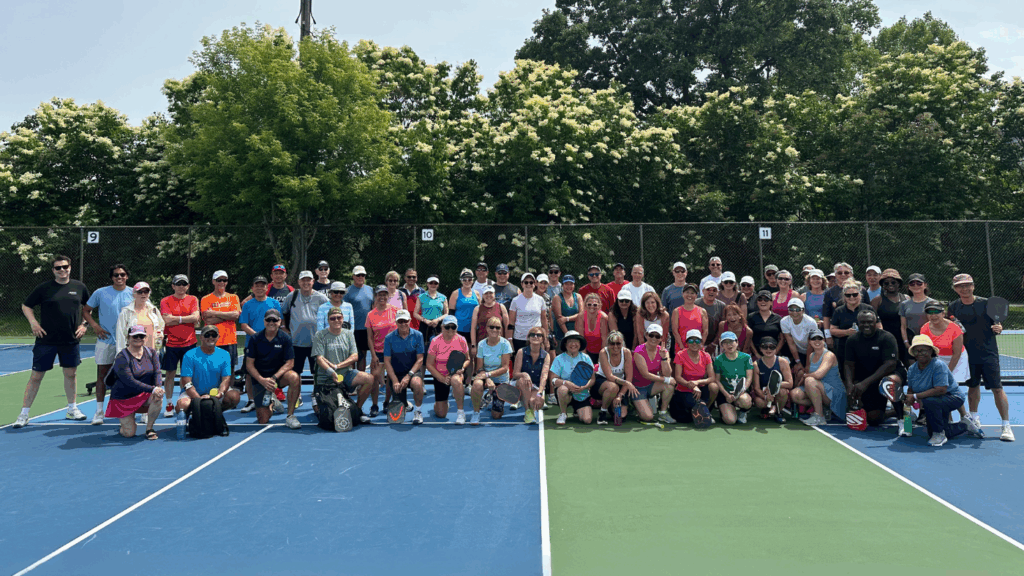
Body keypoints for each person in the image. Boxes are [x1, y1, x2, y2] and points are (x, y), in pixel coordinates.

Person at [13, 255, 91, 428]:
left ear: (70, 267)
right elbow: (26, 306)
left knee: (71, 374)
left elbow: (88, 308)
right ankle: (24, 414)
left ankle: (72, 409)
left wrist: (84, 325)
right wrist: (34, 323)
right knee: (36, 376)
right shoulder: (44, 288)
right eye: (58, 268)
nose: (62, 270)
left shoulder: (79, 287)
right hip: (45, 340)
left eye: (65, 267)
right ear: (53, 270)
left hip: (70, 340)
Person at [948, 273, 1014, 441]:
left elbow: (997, 324)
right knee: (973, 387)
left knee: (997, 388)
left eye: (967, 285)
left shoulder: (986, 303)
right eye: (960, 286)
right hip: (967, 354)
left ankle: (1006, 425)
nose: (964, 288)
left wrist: (999, 327)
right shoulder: (953, 307)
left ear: (973, 286)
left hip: (988, 353)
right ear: (955, 289)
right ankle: (975, 419)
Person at [905, 335, 984, 446]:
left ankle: (939, 435)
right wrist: (909, 401)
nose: (920, 353)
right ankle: (965, 425)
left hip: (953, 398)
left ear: (931, 351)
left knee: (930, 402)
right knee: (931, 430)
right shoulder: (912, 370)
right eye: (917, 351)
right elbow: (911, 390)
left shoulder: (938, 365)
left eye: (923, 350)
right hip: (933, 401)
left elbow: (941, 390)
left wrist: (914, 397)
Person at [83, 263, 134, 425]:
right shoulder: (101, 292)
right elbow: (86, 310)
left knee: (131, 376)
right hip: (106, 340)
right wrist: (95, 326)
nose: (119, 277)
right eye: (116, 275)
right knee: (102, 376)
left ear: (127, 276)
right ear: (112, 277)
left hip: (129, 342)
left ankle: (133, 410)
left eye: (122, 275)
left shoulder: (134, 292)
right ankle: (99, 411)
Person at [312, 306, 374, 427]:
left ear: (343, 319)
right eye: (332, 318)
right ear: (328, 320)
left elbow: (355, 356)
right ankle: (317, 401)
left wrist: (337, 366)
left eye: (339, 317)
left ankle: (357, 410)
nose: (336, 320)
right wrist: (332, 372)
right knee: (326, 414)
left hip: (345, 374)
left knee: (369, 379)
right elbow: (319, 359)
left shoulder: (348, 334)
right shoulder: (320, 335)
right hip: (326, 378)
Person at [845, 309, 906, 430]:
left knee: (889, 383)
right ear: (857, 323)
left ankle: (903, 420)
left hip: (891, 373)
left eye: (869, 322)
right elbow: (848, 364)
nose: (866, 325)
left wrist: (865, 383)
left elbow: (890, 364)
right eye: (862, 322)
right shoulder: (852, 340)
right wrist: (849, 385)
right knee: (874, 419)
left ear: (876, 322)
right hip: (869, 379)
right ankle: (898, 411)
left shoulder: (887, 337)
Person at [104, 325, 165, 439]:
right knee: (129, 433)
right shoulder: (121, 357)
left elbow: (157, 372)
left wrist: (158, 387)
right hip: (123, 398)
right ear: (128, 338)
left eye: (141, 336)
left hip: (143, 395)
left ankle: (149, 428)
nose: (138, 338)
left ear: (145, 338)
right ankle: (125, 423)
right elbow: (130, 382)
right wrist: (153, 389)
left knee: (158, 397)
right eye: (135, 336)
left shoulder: (151, 352)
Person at [245, 309, 302, 429]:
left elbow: (290, 363)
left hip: (278, 377)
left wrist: (274, 378)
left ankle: (290, 416)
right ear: (264, 321)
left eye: (275, 320)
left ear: (279, 321)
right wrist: (262, 380)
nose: (271, 322)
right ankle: (272, 402)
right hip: (261, 379)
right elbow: (249, 365)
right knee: (263, 420)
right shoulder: (255, 339)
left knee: (294, 377)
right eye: (268, 320)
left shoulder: (285, 338)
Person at [238, 276, 283, 413]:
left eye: (262, 285)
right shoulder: (247, 305)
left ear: (266, 288)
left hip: (271, 344)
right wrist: (258, 337)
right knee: (250, 373)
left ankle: (271, 397)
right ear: (252, 288)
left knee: (272, 372)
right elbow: (244, 325)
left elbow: (278, 323)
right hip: (252, 344)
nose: (259, 288)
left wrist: (269, 337)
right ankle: (251, 400)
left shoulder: (274, 303)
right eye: (256, 285)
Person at [176, 324, 238, 420]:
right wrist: (198, 398)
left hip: (214, 394)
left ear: (218, 337)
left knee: (234, 396)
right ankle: (186, 420)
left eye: (213, 335)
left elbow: (226, 379)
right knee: (182, 406)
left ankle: (213, 413)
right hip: (193, 393)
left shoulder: (225, 355)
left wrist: (220, 393)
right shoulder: (189, 355)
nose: (210, 337)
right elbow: (186, 382)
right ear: (201, 337)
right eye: (207, 335)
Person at [160, 274, 200, 417]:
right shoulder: (166, 301)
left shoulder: (193, 299)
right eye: (178, 284)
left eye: (184, 284)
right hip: (171, 343)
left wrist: (176, 319)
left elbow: (196, 318)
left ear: (188, 286)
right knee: (170, 374)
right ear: (173, 286)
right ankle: (169, 403)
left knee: (188, 375)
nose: (181, 287)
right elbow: (167, 321)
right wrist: (186, 319)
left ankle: (184, 401)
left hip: (190, 342)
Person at [282, 270, 329, 381]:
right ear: (299, 282)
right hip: (296, 342)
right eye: (303, 280)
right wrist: (284, 328)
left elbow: (330, 312)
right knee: (295, 372)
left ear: (313, 281)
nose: (306, 283)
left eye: (308, 280)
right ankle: (297, 395)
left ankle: (317, 393)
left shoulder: (321, 298)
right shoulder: (292, 296)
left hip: (316, 342)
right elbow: (283, 312)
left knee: (317, 371)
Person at [383, 309, 426, 424]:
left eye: (405, 321)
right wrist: (395, 380)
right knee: (397, 418)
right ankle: (405, 403)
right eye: (400, 321)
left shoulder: (418, 335)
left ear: (410, 321)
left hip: (413, 372)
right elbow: (387, 361)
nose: (403, 324)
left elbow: (420, 359)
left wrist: (409, 375)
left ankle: (418, 412)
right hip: (396, 373)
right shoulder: (389, 338)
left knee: (417, 383)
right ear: (396, 323)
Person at [425, 315, 471, 423]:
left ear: (456, 328)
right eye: (447, 327)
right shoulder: (435, 341)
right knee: (441, 414)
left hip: (456, 373)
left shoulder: (461, 340)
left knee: (456, 380)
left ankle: (460, 413)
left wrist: (463, 368)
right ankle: (440, 404)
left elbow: (467, 359)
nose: (450, 329)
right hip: (440, 375)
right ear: (442, 327)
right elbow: (429, 364)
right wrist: (441, 378)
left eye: (453, 327)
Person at [791, 328, 841, 426]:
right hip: (821, 389)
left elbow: (818, 375)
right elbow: (811, 374)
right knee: (795, 394)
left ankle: (819, 416)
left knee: (810, 380)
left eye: (820, 338)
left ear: (824, 340)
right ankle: (824, 409)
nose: (817, 341)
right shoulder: (811, 356)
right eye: (814, 339)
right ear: (810, 341)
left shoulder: (829, 355)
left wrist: (805, 376)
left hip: (834, 392)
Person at [629, 324, 676, 424]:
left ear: (661, 338)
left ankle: (663, 413)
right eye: (651, 335)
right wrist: (666, 379)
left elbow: (667, 374)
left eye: (657, 336)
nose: (654, 338)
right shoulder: (639, 351)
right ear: (646, 335)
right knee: (648, 417)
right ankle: (632, 403)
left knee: (669, 385)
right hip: (637, 388)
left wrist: (664, 358)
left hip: (651, 385)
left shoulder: (663, 351)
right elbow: (645, 374)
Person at [471, 316, 514, 424]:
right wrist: (487, 379)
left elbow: (505, 368)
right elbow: (479, 368)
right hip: (487, 377)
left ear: (500, 329)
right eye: (492, 327)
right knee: (476, 384)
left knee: (496, 415)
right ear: (486, 328)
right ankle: (476, 412)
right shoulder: (481, 344)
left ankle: (493, 395)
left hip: (501, 379)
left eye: (497, 327)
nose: (494, 330)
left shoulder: (505, 344)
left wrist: (487, 375)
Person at [552, 330, 600, 425]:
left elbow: (592, 379)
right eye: (570, 341)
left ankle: (576, 410)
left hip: (581, 393)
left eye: (576, 341)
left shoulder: (586, 358)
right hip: (566, 392)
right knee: (562, 389)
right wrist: (566, 383)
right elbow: (553, 380)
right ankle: (563, 414)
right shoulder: (558, 359)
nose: (573, 344)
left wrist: (584, 387)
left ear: (580, 344)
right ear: (565, 344)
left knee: (587, 420)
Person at [669, 329, 716, 424]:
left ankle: (705, 411)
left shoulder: (706, 355)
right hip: (684, 389)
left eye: (697, 340)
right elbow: (678, 377)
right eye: (691, 340)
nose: (694, 343)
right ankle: (702, 412)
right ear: (686, 343)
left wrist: (697, 383)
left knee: (714, 387)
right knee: (689, 411)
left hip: (701, 388)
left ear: (701, 343)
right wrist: (692, 386)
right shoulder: (680, 355)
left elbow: (712, 378)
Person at [200, 270, 241, 379]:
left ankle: (228, 393)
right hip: (211, 339)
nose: (222, 282)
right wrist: (227, 316)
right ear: (213, 281)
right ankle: (210, 394)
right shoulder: (206, 299)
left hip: (230, 339)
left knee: (230, 370)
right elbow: (208, 321)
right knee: (210, 369)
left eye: (224, 280)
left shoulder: (233, 297)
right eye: (219, 280)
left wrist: (214, 313)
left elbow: (235, 316)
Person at [366, 284, 399, 417]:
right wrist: (373, 355)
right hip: (378, 352)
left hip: (392, 352)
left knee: (391, 379)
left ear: (388, 296)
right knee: (374, 378)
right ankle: (374, 405)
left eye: (384, 294)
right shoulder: (370, 314)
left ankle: (387, 402)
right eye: (379, 294)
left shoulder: (396, 311)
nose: (382, 297)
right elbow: (370, 338)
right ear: (375, 296)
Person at [712, 331, 754, 425]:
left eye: (731, 341)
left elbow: (749, 378)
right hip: (726, 394)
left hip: (741, 392)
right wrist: (727, 395)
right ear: (722, 345)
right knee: (730, 421)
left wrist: (740, 392)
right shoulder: (718, 359)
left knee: (745, 401)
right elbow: (717, 380)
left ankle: (743, 412)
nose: (729, 345)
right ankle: (725, 410)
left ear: (737, 342)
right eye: (725, 342)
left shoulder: (746, 357)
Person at [830, 281, 874, 369]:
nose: (851, 297)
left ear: (860, 295)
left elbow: (879, 327)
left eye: (855, 294)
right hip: (845, 348)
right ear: (844, 297)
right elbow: (832, 330)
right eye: (848, 295)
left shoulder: (868, 308)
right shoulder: (839, 311)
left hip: (866, 346)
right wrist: (847, 332)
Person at [512, 326, 551, 425]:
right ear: (529, 338)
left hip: (536, 386)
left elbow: (544, 376)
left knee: (537, 402)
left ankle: (524, 401)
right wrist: (524, 374)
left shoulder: (546, 356)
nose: (535, 337)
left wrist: (540, 393)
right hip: (521, 384)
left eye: (539, 335)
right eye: (532, 335)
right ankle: (528, 412)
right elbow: (515, 374)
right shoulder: (521, 352)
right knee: (523, 381)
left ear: (543, 338)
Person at [750, 336, 793, 423]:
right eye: (765, 347)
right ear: (760, 349)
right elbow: (756, 388)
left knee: (783, 391)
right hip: (764, 393)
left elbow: (790, 383)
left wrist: (772, 386)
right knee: (759, 402)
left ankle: (778, 412)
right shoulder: (756, 364)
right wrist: (766, 396)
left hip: (777, 393)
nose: (768, 349)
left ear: (776, 348)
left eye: (772, 347)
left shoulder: (782, 361)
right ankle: (766, 408)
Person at [593, 331, 633, 425]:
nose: (615, 346)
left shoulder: (626, 352)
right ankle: (602, 412)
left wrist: (620, 396)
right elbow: (609, 376)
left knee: (621, 416)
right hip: (603, 382)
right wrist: (626, 383)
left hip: (621, 383)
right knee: (613, 387)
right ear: (608, 344)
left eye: (618, 343)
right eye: (612, 344)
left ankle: (613, 406)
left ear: (622, 343)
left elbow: (629, 376)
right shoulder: (603, 352)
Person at [871, 269, 909, 364]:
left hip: (905, 339)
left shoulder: (906, 298)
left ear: (899, 283)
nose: (890, 285)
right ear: (883, 285)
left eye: (893, 282)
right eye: (886, 283)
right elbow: (872, 321)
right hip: (886, 340)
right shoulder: (877, 300)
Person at [821, 262, 868, 334]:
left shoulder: (862, 290)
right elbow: (826, 316)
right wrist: (828, 336)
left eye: (846, 272)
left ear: (851, 274)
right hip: (839, 332)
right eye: (839, 273)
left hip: (862, 331)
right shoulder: (829, 292)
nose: (843, 275)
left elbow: (868, 309)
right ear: (835, 275)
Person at [343, 265, 374, 372]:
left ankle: (362, 382)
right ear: (353, 276)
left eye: (362, 275)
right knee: (352, 357)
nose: (360, 277)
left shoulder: (370, 289)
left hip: (366, 329)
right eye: (358, 275)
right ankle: (352, 383)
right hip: (352, 329)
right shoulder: (347, 291)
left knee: (362, 356)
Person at [508, 272, 549, 353]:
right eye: (526, 282)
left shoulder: (540, 300)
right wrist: (510, 340)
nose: (529, 284)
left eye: (531, 282)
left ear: (534, 284)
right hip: (520, 338)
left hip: (536, 338)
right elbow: (511, 322)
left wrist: (546, 338)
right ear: (522, 284)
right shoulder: (515, 300)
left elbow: (544, 320)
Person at [781, 298, 816, 382]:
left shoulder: (811, 322)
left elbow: (810, 345)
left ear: (803, 310)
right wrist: (798, 362)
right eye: (791, 309)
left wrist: (807, 364)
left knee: (805, 372)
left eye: (797, 309)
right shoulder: (784, 321)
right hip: (799, 352)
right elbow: (791, 343)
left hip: (813, 351)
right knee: (798, 371)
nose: (794, 312)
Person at [899, 273, 931, 353]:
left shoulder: (932, 303)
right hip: (911, 342)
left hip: (929, 342)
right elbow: (903, 326)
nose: (915, 285)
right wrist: (906, 343)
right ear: (908, 287)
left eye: (919, 283)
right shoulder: (904, 304)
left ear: (925, 285)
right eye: (912, 283)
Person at [471, 285, 508, 353]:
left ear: (494, 294)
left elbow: (506, 327)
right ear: (483, 295)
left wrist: (508, 343)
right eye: (486, 293)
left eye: (490, 293)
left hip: (499, 344)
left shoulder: (501, 307)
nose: (488, 295)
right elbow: (473, 328)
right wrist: (473, 345)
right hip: (482, 344)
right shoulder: (477, 308)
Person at [671, 283, 706, 354]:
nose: (689, 295)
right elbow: (675, 331)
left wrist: (700, 345)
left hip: (698, 350)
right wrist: (682, 348)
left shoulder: (702, 311)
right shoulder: (676, 311)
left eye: (692, 293)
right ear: (683, 294)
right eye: (687, 292)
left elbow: (705, 331)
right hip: (681, 349)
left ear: (696, 296)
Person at [413, 275, 448, 346]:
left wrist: (437, 320)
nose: (433, 285)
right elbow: (415, 314)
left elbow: (446, 313)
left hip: (438, 325)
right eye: (431, 283)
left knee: (439, 346)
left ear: (438, 285)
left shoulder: (443, 297)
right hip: (425, 325)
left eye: (435, 283)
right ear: (427, 284)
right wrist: (425, 320)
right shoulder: (421, 297)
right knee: (424, 346)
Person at [748, 291, 782, 362]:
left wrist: (774, 353)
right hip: (756, 356)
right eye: (760, 299)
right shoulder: (751, 317)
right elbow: (749, 338)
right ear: (757, 302)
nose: (763, 301)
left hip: (774, 355)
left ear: (771, 302)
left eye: (766, 299)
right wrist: (756, 354)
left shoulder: (778, 318)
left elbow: (782, 339)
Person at [450, 269, 479, 344]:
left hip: (474, 328)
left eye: (469, 279)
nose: (467, 281)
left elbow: (481, 310)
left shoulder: (476, 294)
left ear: (473, 280)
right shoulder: (455, 293)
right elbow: (451, 314)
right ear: (461, 280)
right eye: (464, 279)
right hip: (459, 329)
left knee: (472, 352)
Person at [696, 280, 726, 351]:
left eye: (714, 290)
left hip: (715, 344)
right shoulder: (695, 303)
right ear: (703, 291)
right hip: (697, 342)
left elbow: (722, 327)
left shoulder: (722, 306)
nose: (711, 292)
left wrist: (714, 344)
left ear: (717, 292)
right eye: (708, 289)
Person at [578, 293, 609, 363]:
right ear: (585, 305)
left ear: (599, 306)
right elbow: (581, 338)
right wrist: (584, 356)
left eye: (595, 305)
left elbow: (604, 339)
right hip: (586, 351)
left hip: (600, 351)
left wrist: (602, 358)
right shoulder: (581, 316)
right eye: (589, 304)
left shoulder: (603, 317)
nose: (592, 306)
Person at [551, 274, 580, 347]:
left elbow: (581, 315)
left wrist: (567, 319)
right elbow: (559, 319)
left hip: (576, 333)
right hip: (561, 335)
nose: (569, 286)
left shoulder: (578, 297)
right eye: (566, 284)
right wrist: (568, 336)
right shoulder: (557, 298)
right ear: (562, 285)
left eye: (571, 284)